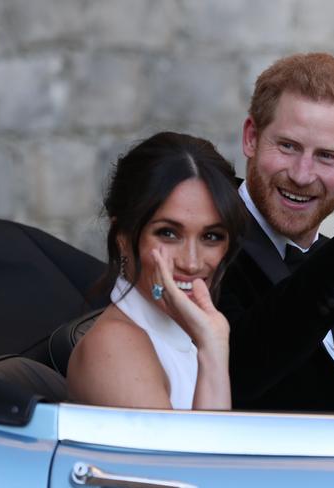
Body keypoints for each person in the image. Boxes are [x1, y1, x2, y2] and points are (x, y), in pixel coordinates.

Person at [218, 52, 334, 412]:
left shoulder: (333, 259)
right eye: (288, 146)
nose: (302, 175)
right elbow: (241, 372)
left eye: (326, 156)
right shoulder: (208, 243)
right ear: (251, 138)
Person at [67, 132, 247, 410]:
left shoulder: (184, 334)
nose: (191, 262)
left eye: (211, 237)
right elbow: (201, 455)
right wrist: (213, 351)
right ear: (123, 238)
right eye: (168, 233)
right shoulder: (115, 347)